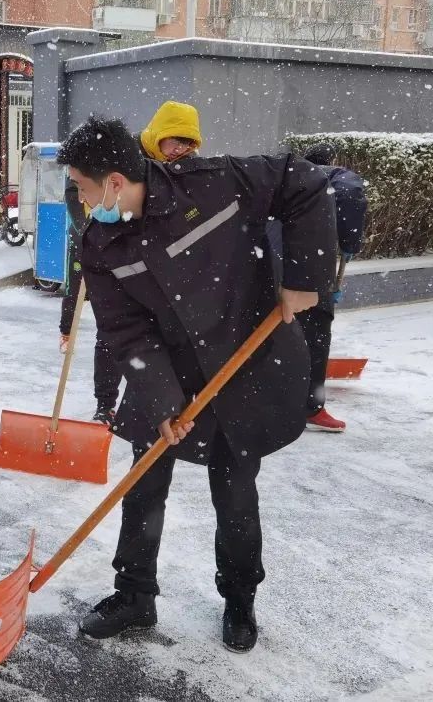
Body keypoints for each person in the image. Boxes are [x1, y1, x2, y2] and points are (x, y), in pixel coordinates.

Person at [61, 116, 334, 653]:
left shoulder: (212, 184)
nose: (79, 195)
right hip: (162, 372)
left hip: (242, 367)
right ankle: (135, 594)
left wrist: (304, 279)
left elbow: (302, 182)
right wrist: (163, 401)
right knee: (143, 485)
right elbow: (125, 330)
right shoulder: (101, 243)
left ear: (115, 180)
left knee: (234, 493)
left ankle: (239, 599)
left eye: (80, 184)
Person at [296, 143, 368, 432]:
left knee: (271, 333)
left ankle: (259, 403)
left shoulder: (281, 174)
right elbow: (351, 195)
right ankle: (311, 407)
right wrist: (350, 244)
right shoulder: (335, 176)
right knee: (315, 333)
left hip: (268, 260)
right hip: (310, 264)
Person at [60, 177, 121, 423]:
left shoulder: (124, 178)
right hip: (98, 268)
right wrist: (66, 325)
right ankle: (105, 406)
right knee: (108, 335)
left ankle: (151, 409)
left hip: (130, 270)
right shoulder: (77, 191)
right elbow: (74, 278)